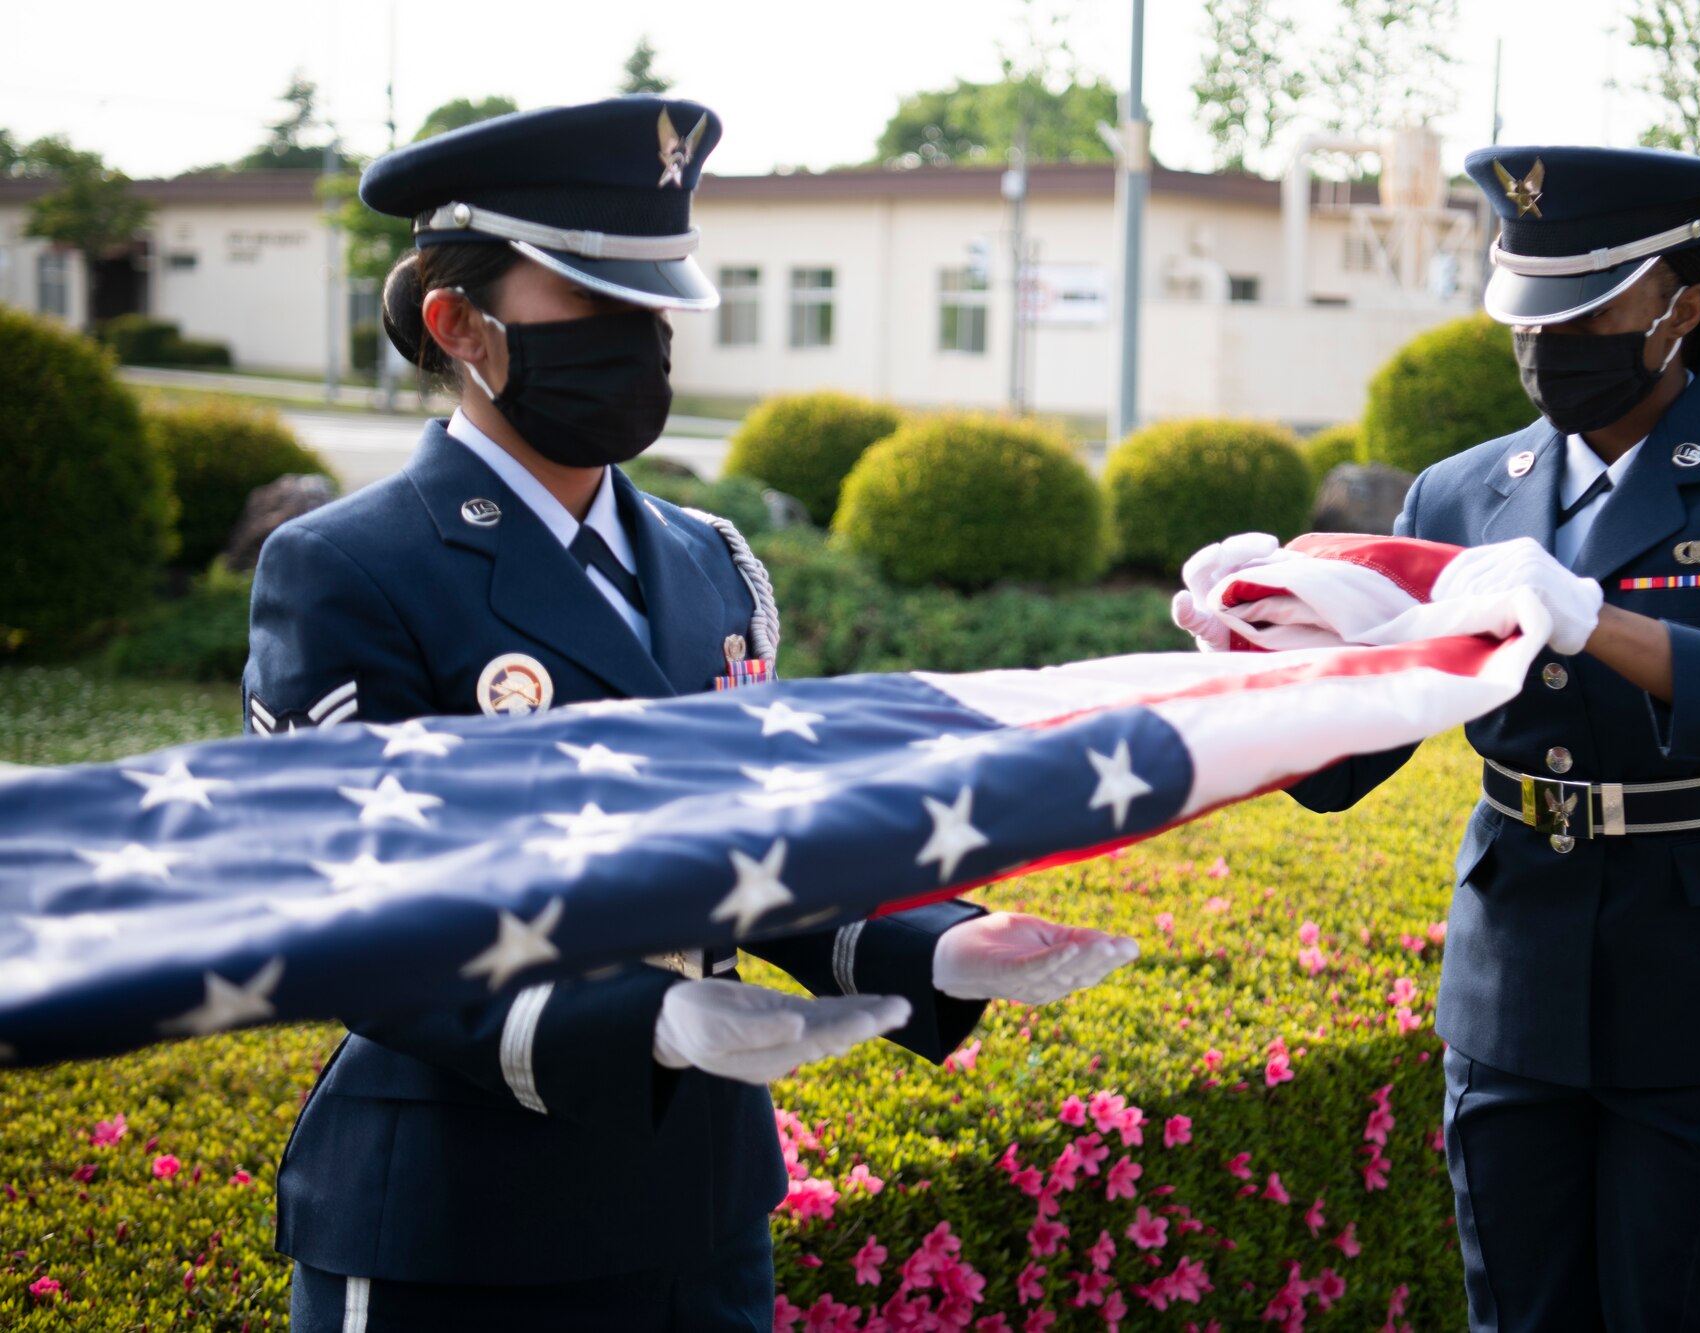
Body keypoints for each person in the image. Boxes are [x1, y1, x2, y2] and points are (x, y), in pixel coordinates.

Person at [244, 96, 1138, 1332]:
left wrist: (936, 944)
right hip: (463, 1218)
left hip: (702, 1209)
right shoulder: (350, 567)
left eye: (654, 303)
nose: (642, 340)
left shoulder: (711, 564)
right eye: (595, 304)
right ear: (462, 325)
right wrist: (649, 1018)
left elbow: (765, 843)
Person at [1281, 147, 1700, 1328]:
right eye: (1526, 311)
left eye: (1578, 309)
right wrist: (1263, 654)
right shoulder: (1458, 495)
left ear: (1678, 306)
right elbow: (1342, 768)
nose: (1541, 345)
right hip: (1512, 983)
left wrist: (1602, 624)